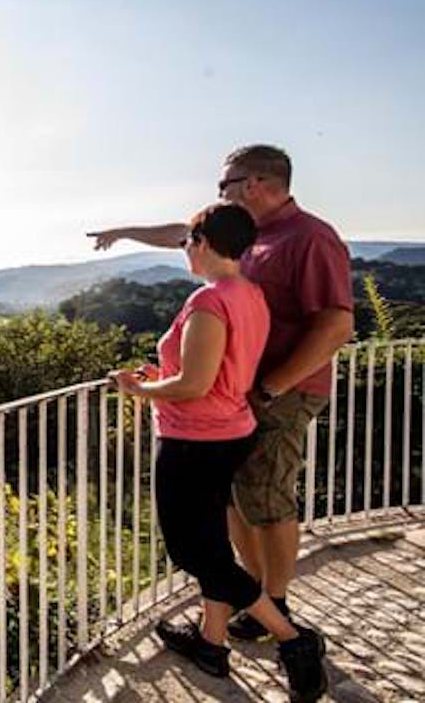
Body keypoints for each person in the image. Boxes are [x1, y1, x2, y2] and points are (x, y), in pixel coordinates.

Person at [89, 145, 353, 643]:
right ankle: (240, 607)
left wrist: (272, 387)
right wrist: (123, 232)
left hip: (277, 391)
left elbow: (337, 324)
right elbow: (182, 232)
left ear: (253, 184)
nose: (220, 193)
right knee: (234, 502)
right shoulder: (244, 235)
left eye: (224, 185)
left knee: (266, 499)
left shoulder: (309, 238)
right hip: (237, 397)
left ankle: (274, 611)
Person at [109, 204, 325, 699]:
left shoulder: (210, 302)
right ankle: (212, 642)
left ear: (203, 243)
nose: (185, 248)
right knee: (210, 542)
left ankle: (294, 639)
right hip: (229, 433)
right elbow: (220, 371)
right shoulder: (250, 294)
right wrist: (163, 378)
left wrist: (136, 390)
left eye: (188, 241)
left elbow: (193, 385)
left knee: (194, 551)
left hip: (194, 440)